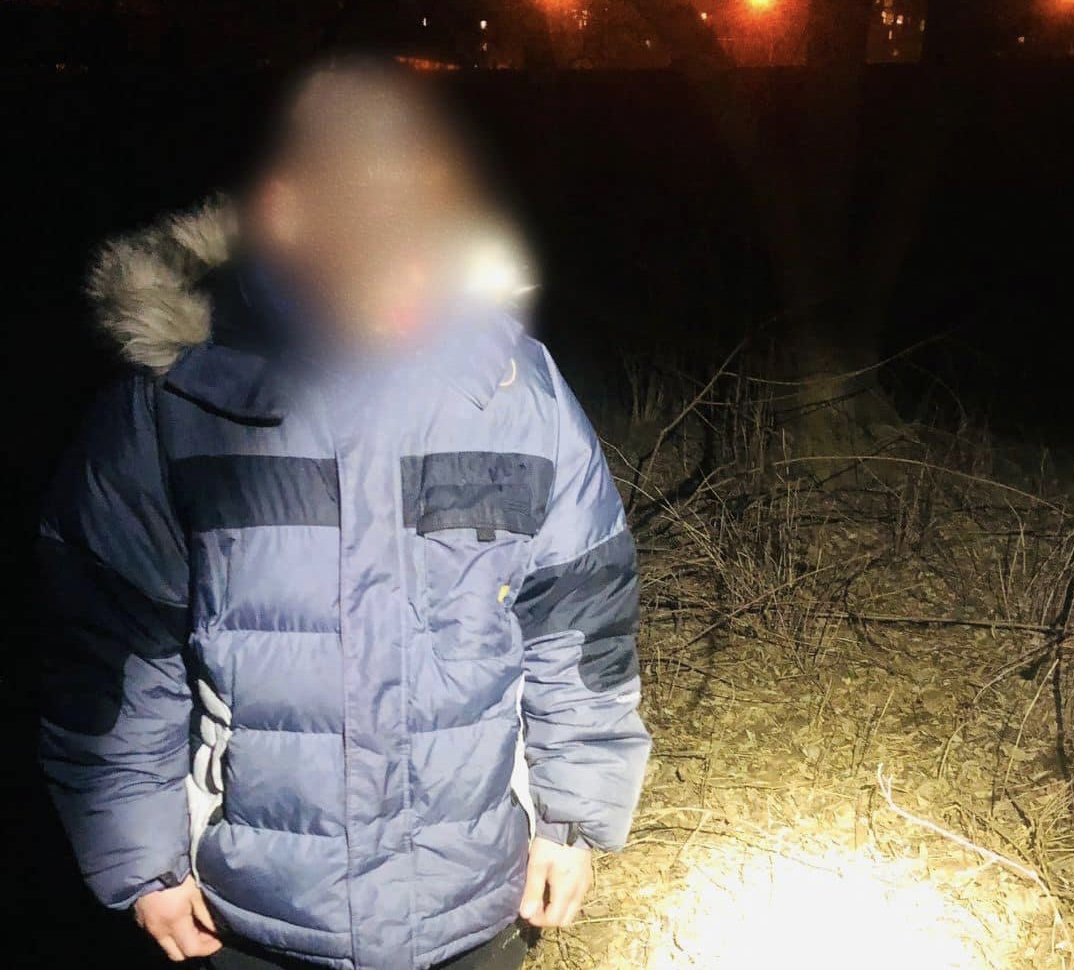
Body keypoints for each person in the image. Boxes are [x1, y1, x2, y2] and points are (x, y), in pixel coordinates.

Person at [37, 58, 650, 970]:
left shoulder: (514, 389)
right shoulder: (174, 405)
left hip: (472, 900)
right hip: (249, 915)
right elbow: (111, 646)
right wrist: (142, 860)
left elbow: (579, 618)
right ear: (278, 204)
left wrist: (571, 816)